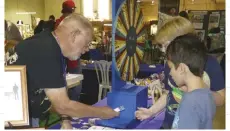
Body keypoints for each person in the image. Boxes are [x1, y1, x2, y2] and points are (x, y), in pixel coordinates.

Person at [6, 13, 119, 128]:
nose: (86, 50)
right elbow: (62, 105)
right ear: (74, 35)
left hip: (24, 112)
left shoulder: (52, 46)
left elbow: (55, 96)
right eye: (87, 44)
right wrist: (102, 112)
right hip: (12, 117)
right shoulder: (47, 51)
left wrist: (65, 118)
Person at [135, 16, 225, 129]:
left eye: (166, 45)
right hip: (171, 123)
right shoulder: (172, 64)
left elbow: (221, 100)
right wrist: (151, 111)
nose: (164, 51)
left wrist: (197, 89)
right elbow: (168, 93)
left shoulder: (210, 64)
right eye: (161, 46)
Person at [167, 34, 215, 129]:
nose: (170, 73)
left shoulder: (190, 103)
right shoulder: (207, 94)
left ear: (181, 68)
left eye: (171, 68)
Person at [55, 0, 82, 102]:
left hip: (64, 60)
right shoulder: (70, 23)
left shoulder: (58, 23)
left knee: (66, 86)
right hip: (70, 60)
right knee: (76, 85)